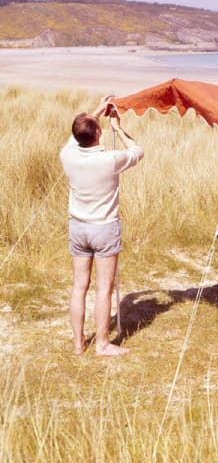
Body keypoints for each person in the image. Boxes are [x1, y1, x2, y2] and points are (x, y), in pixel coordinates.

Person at [60, 95, 144, 356]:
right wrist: (118, 128)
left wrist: (95, 112)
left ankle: (78, 344)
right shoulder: (110, 160)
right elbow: (138, 151)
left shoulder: (68, 155)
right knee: (104, 288)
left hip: (78, 227)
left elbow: (77, 136)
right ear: (98, 133)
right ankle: (102, 344)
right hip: (104, 228)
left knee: (79, 286)